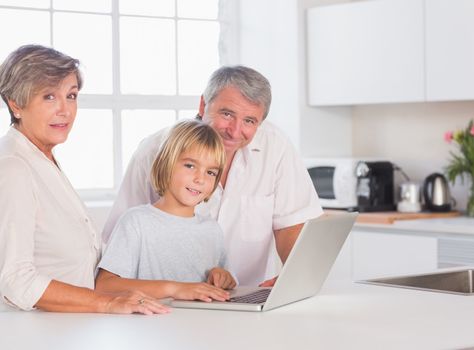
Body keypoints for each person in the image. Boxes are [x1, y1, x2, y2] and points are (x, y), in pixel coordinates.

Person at [102, 66, 323, 286]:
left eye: (249, 121)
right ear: (203, 105)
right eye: (227, 114)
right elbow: (117, 251)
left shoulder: (276, 147)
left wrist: (294, 279)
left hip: (241, 297)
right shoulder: (155, 150)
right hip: (158, 304)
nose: (235, 131)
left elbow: (293, 223)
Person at [0, 44, 168, 314]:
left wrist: (176, 285)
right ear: (16, 103)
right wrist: (109, 303)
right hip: (35, 334)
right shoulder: (12, 167)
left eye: (71, 95)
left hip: (73, 327)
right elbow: (15, 280)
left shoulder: (42, 158)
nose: (65, 110)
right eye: (49, 97)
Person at [95, 120, 236, 301]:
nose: (200, 179)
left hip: (201, 326)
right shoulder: (136, 222)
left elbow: (226, 282)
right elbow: (105, 285)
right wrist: (175, 288)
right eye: (190, 166)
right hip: (151, 325)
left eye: (210, 172)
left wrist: (223, 277)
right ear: (166, 163)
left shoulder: (212, 230)